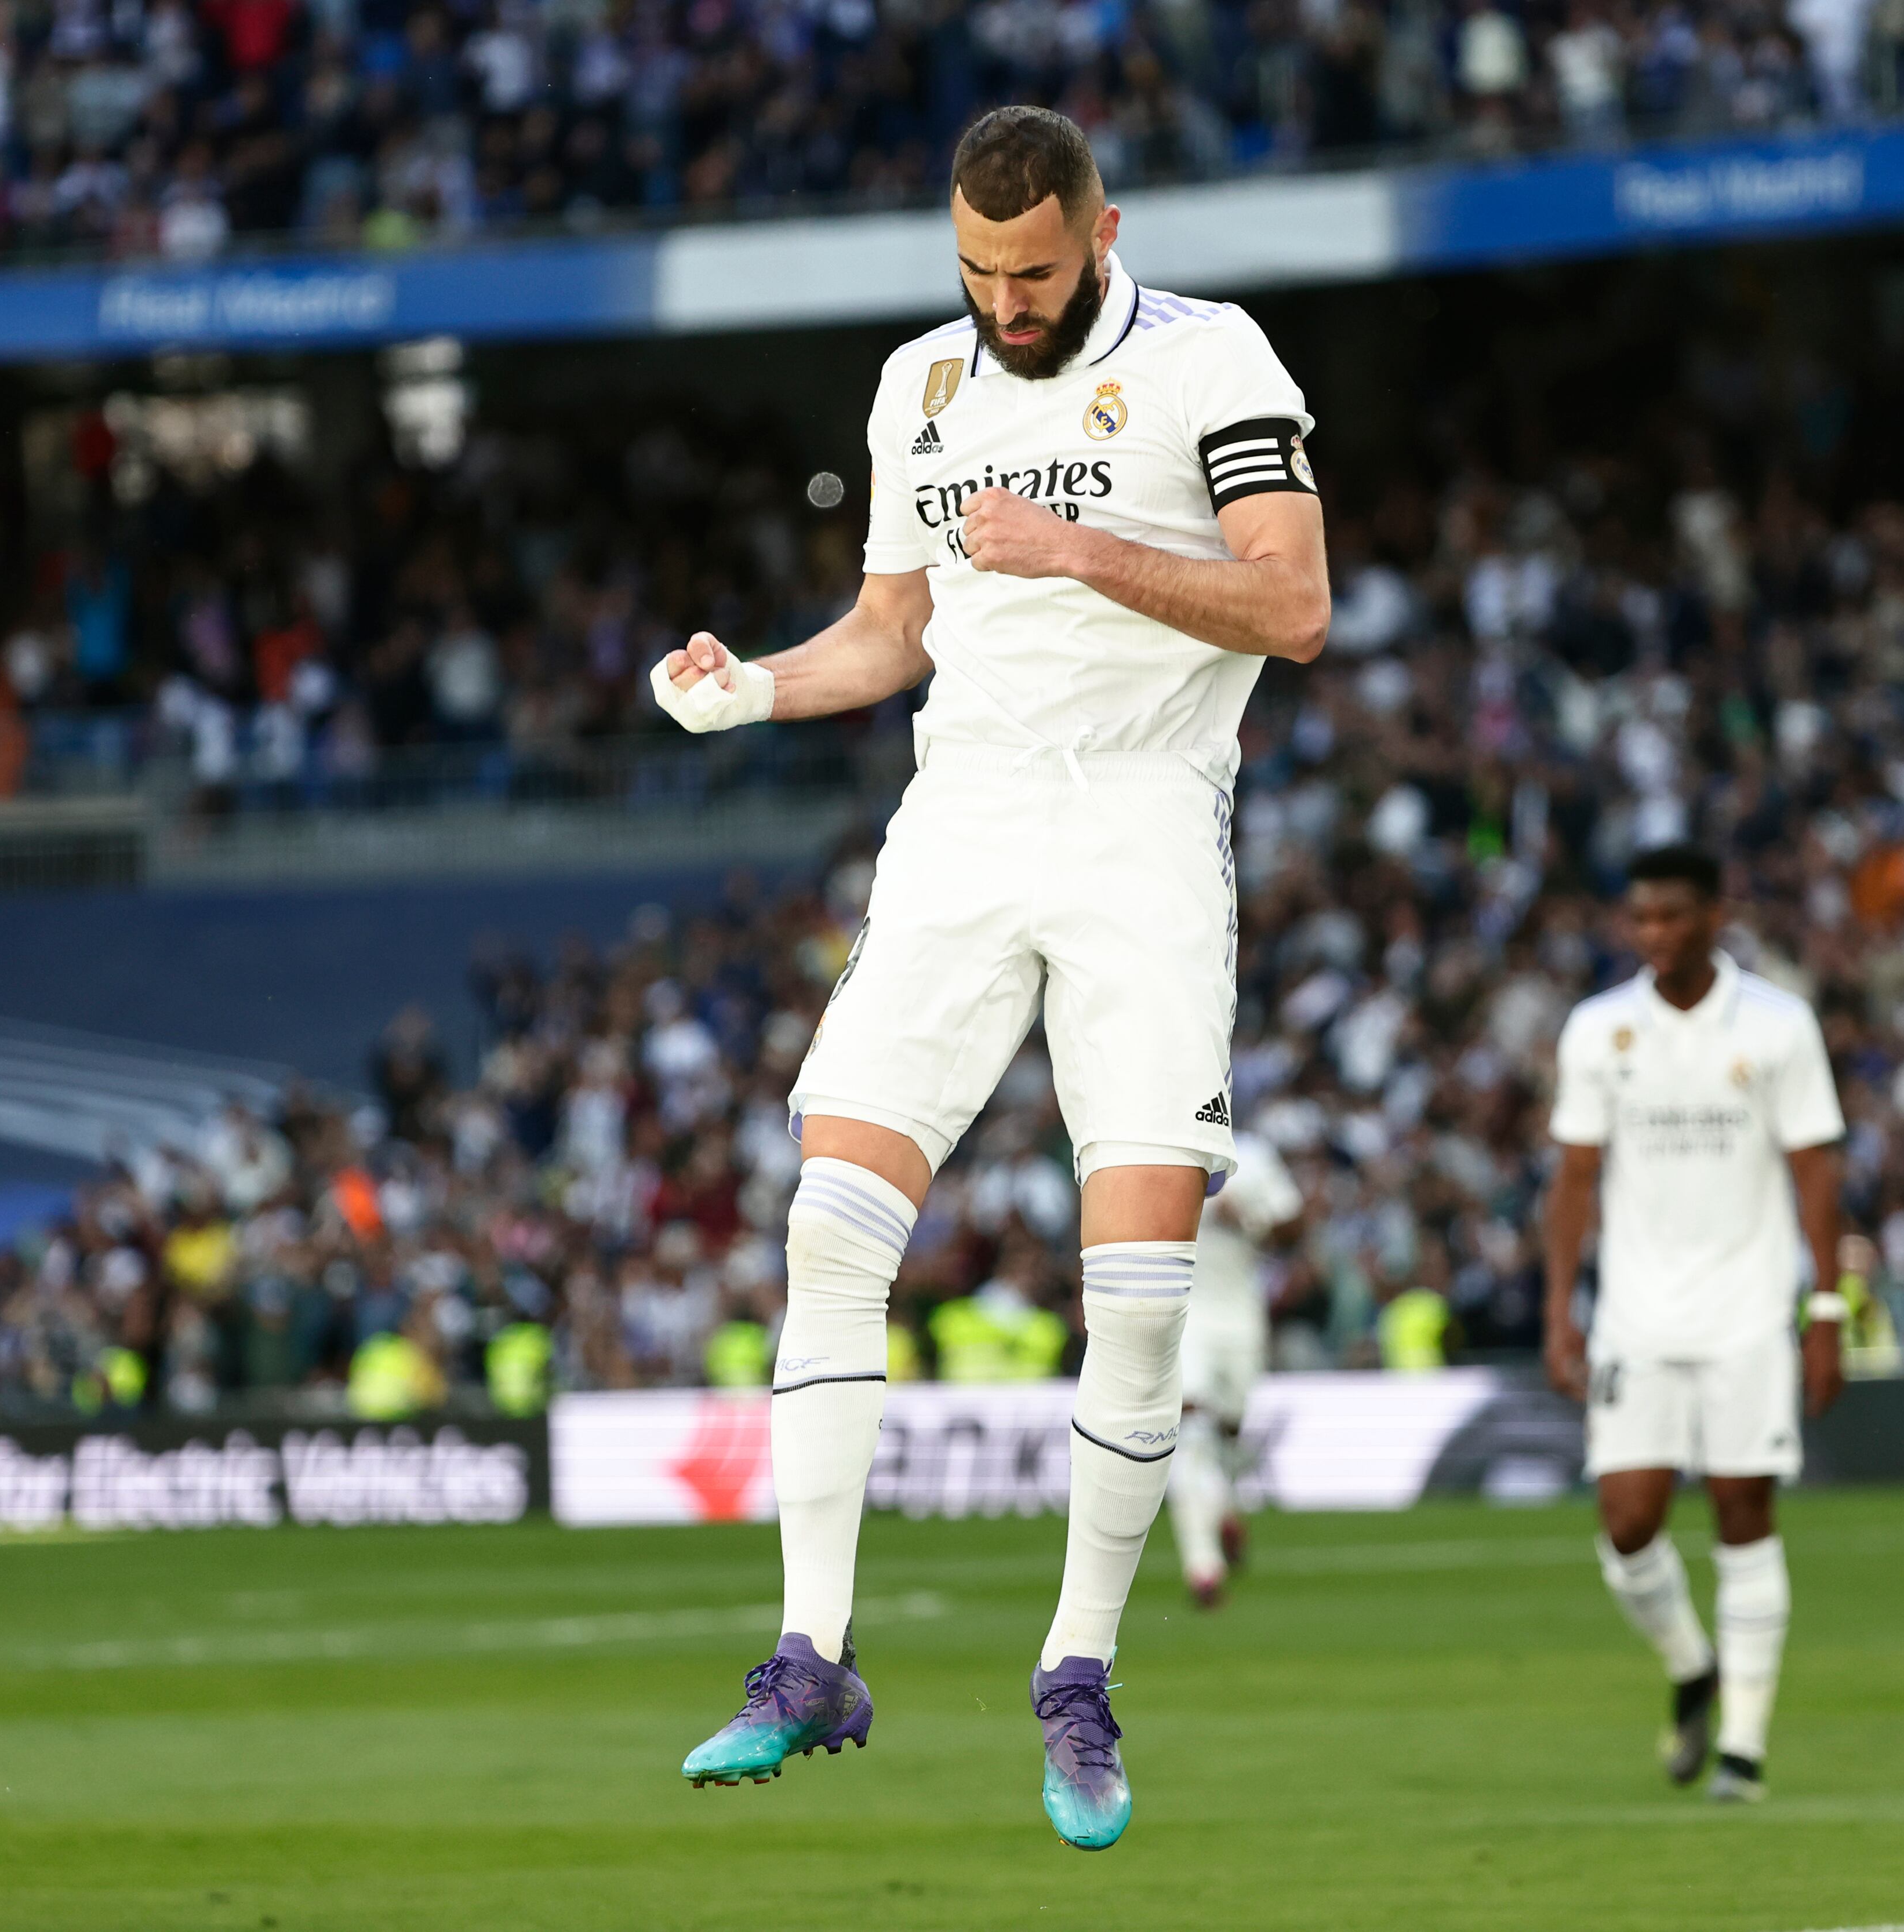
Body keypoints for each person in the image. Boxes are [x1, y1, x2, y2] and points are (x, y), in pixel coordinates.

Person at [650, 103, 1328, 1848]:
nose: (1002, 301)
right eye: (973, 270)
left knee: (1143, 1283)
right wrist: (748, 686)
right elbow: (890, 635)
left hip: (1145, 831)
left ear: (1103, 233)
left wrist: (1080, 544)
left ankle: (1078, 1678)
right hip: (961, 819)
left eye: (1030, 271)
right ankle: (809, 1654)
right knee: (825, 1220)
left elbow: (1296, 605)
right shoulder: (914, 391)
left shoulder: (1210, 362)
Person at [1540, 843, 1847, 1806]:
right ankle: (1689, 1661)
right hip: (1636, 1315)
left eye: (1671, 916)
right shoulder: (1599, 1030)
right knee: (1627, 1523)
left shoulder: (1779, 1024)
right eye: (1640, 919)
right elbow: (1575, 1179)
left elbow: (1816, 1171)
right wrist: (1559, 1309)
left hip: (1749, 1311)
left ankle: (1745, 1749)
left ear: (1716, 916)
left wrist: (1826, 1307)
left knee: (1742, 1513)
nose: (1653, 934)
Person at [1168, 1127, 1304, 1607]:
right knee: (1190, 1431)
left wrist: (1247, 1217)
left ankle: (1223, 1508)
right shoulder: (1166, 1146)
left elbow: (1295, 1225)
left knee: (1227, 1430)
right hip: (1187, 1313)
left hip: (1243, 1316)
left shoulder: (1253, 1155)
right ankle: (1203, 1567)